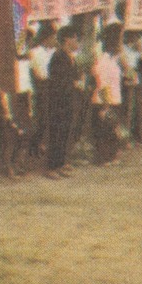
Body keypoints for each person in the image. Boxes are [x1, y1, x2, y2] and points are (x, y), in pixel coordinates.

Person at [43, 28, 83, 177]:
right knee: (56, 133)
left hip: (68, 101)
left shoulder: (69, 57)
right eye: (75, 39)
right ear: (67, 39)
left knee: (65, 132)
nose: (77, 42)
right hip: (58, 102)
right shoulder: (58, 56)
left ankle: (60, 163)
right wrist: (74, 84)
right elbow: (58, 80)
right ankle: (51, 167)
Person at [91, 25, 126, 165]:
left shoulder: (113, 60)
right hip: (104, 101)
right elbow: (102, 85)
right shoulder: (103, 61)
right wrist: (105, 107)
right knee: (105, 131)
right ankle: (103, 157)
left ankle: (111, 155)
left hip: (114, 99)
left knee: (111, 131)